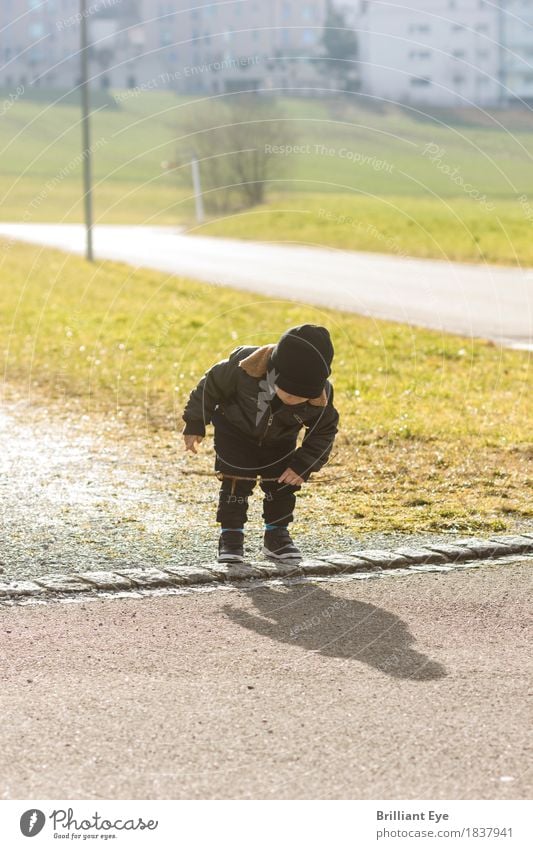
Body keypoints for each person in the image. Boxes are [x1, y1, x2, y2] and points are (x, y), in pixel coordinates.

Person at [182, 324, 339, 564]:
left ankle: (277, 534)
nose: (294, 400)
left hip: (281, 440)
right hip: (234, 432)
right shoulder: (243, 368)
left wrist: (303, 465)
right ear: (274, 372)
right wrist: (195, 423)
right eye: (288, 393)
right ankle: (231, 535)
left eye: (302, 397)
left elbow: (323, 431)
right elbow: (209, 387)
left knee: (283, 485)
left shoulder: (320, 396)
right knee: (236, 482)